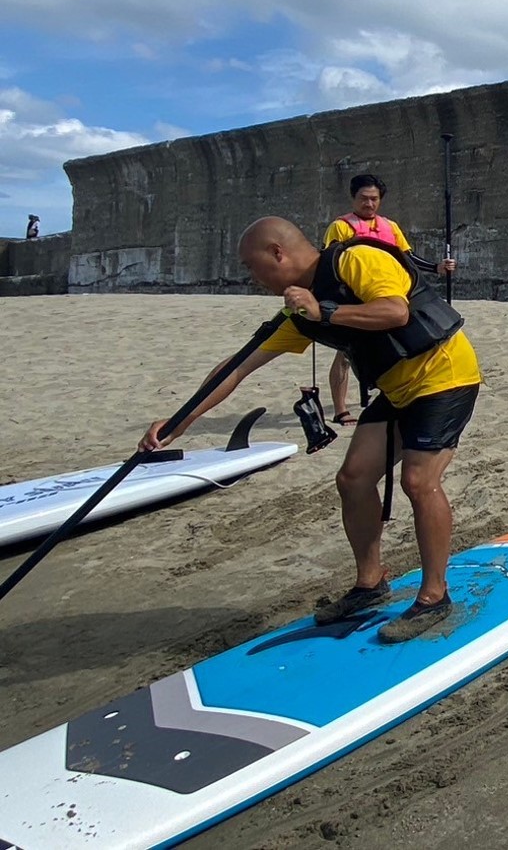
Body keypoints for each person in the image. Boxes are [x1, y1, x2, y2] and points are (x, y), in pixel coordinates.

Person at [140, 217, 482, 644]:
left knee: (418, 481)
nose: (252, 277)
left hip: (445, 376)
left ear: (277, 253)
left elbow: (396, 311)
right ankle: (371, 583)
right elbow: (238, 366)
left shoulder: (356, 259)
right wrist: (180, 421)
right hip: (399, 390)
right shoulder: (298, 313)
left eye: (253, 266)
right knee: (353, 478)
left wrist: (328, 310)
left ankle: (434, 596)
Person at [322, 173, 456, 424]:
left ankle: (393, 400)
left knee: (392, 350)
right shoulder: (340, 227)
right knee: (346, 354)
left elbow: (408, 259)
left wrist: (437, 267)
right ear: (354, 198)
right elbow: (330, 264)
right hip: (355, 297)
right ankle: (341, 409)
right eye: (364, 198)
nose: (369, 204)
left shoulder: (390, 227)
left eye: (374, 199)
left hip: (388, 296)